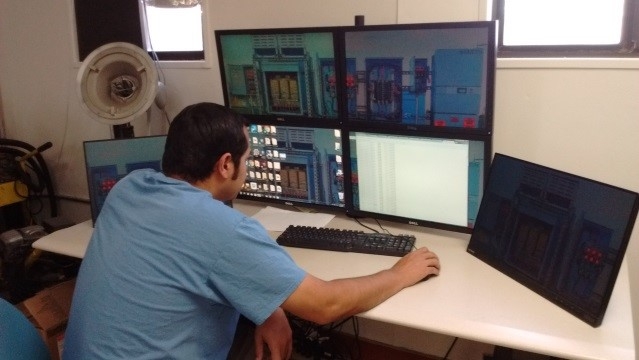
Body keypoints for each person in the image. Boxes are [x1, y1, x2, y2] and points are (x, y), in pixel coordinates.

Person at [63, 102, 440, 360]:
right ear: (226, 165)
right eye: (246, 160)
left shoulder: (130, 188)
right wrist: (398, 273)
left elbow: (182, 266)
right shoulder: (222, 230)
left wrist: (268, 309)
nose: (247, 169)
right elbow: (325, 305)